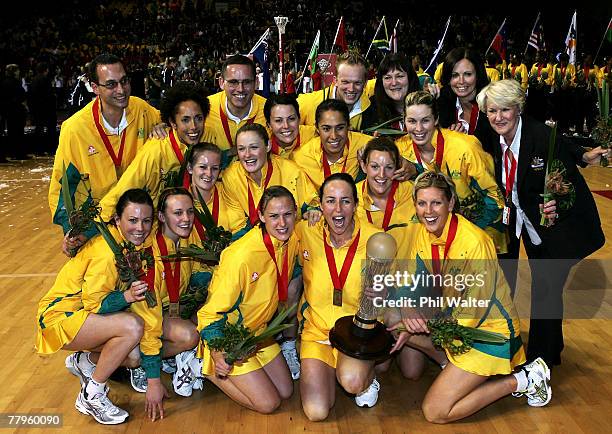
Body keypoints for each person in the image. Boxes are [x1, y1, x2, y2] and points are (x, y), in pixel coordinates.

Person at [387, 171, 551, 424]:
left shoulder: (475, 242)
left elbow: (473, 312)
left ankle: (525, 379)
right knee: (396, 325)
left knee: (435, 411)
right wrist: (408, 307)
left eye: (436, 203)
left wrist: (426, 323)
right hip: (452, 325)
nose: (428, 211)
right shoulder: (424, 232)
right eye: (422, 203)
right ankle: (455, 368)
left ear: (451, 203)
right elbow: (411, 279)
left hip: (488, 332)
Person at [476, 79, 607, 366]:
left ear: (518, 108)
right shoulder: (488, 133)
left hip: (552, 224)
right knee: (519, 281)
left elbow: (562, 159)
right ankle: (543, 345)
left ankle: (540, 359)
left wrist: (558, 201)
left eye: (505, 110)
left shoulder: (538, 135)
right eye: (492, 111)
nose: (498, 117)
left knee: (546, 285)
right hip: (518, 221)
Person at [35, 189, 154, 425]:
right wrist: (127, 297)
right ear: (116, 220)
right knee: (132, 327)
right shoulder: (106, 254)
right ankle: (92, 394)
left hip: (84, 316)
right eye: (132, 220)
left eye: (146, 220)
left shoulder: (124, 241)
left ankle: (86, 362)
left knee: (133, 355)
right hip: (60, 318)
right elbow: (95, 303)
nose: (140, 227)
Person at [197, 186, 299, 413]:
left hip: (258, 334)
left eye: (288, 214)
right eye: (274, 216)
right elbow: (209, 313)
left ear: (295, 214)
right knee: (268, 403)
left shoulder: (291, 240)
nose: (282, 223)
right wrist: (217, 348)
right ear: (261, 216)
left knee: (286, 391)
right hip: (230, 337)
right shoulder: (240, 257)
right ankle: (207, 369)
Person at [295, 173, 386, 421]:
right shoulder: (305, 231)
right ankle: (337, 369)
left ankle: (366, 376)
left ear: (356, 205)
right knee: (316, 412)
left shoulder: (376, 239)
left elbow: (391, 291)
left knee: (352, 382)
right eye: (330, 201)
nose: (338, 209)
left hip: (357, 332)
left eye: (346, 201)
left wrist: (385, 293)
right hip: (317, 331)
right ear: (320, 204)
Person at [49, 53, 161, 248]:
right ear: (94, 88)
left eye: (124, 81)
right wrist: (72, 230)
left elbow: (171, 128)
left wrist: (164, 126)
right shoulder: (75, 129)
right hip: (99, 224)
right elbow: (63, 187)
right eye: (111, 85)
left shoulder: (143, 110)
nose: (121, 90)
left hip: (142, 219)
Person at [396, 91, 506, 253]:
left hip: (480, 236)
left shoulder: (465, 148)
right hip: (432, 242)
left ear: (436, 119)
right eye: (411, 121)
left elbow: (495, 199)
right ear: (404, 121)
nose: (418, 128)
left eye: (425, 120)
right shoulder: (400, 150)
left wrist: (467, 234)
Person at [127, 187, 202, 417]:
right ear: (161, 217)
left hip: (169, 310)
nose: (186, 219)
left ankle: (173, 357)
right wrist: (154, 380)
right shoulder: (149, 253)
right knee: (189, 336)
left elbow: (198, 273)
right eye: (177, 213)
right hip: (143, 317)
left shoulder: (187, 238)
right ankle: (140, 363)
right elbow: (148, 315)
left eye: (189, 212)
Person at [97, 80, 210, 224]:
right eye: (185, 120)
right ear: (173, 123)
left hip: (187, 219)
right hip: (154, 226)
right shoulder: (156, 150)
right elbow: (123, 189)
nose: (194, 126)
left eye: (198, 118)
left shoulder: (206, 138)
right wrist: (93, 226)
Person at [293, 99, 412, 191]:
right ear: (317, 129)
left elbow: (398, 158)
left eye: (340, 128)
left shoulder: (367, 145)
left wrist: (409, 166)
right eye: (326, 129)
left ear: (348, 126)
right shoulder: (301, 157)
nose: (334, 136)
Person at [221, 123, 319, 228]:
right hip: (255, 238)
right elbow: (237, 224)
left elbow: (312, 204)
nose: (247, 154)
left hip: (291, 236)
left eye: (253, 147)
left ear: (268, 146)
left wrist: (312, 211)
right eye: (241, 149)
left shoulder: (290, 171)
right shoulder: (231, 176)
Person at [425, 47, 496, 155]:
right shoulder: (441, 102)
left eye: (468, 74)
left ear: (478, 74)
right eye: (455, 75)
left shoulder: (492, 105)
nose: (461, 81)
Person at [356, 137, 417, 254]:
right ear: (364, 166)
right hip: (365, 270)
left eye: (389, 167)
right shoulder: (350, 198)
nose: (382, 174)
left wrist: (416, 169)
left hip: (407, 271)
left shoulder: (414, 192)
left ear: (397, 168)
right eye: (375, 167)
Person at [202, 55, 267, 150]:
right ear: (221, 82)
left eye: (247, 82)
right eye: (233, 82)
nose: (240, 89)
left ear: (256, 82)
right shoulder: (205, 108)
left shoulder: (269, 111)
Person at [298, 51, 371, 130]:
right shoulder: (308, 103)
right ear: (335, 81)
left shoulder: (371, 110)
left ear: (365, 83)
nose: (351, 89)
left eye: (357, 83)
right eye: (345, 82)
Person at [361, 53, 419, 131]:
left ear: (410, 78)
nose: (394, 83)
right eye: (388, 78)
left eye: (400, 76)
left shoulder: (425, 105)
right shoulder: (371, 111)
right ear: (381, 82)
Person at [263, 93, 317, 159]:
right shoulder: (261, 143)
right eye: (278, 120)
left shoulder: (314, 135)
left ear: (299, 119)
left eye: (291, 119)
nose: (286, 126)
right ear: (269, 125)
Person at [0, 64, 28, 161]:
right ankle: (19, 154)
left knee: (11, 132)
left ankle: (11, 153)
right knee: (19, 132)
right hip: (17, 110)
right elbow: (22, 96)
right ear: (15, 71)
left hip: (7, 111)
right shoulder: (16, 82)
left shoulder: (4, 82)